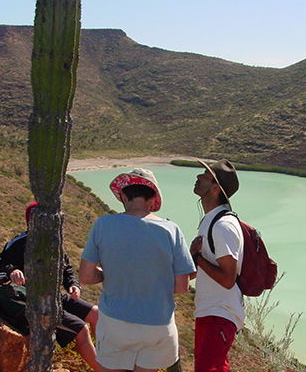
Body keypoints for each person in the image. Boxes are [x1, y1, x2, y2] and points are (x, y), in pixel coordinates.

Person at [79, 168, 195, 372]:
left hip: (114, 323)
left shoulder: (103, 224)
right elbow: (182, 286)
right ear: (152, 199)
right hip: (158, 325)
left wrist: (111, 273)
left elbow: (86, 276)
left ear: (123, 195)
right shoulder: (171, 230)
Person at [0, 201, 101, 372]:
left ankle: (106, 359)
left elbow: (67, 270)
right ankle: (103, 369)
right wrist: (12, 271)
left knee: (97, 315)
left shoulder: (54, 242)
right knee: (81, 329)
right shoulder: (19, 244)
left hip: (56, 294)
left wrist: (73, 285)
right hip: (35, 300)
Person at [189, 159, 244, 372]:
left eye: (205, 174)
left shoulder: (223, 226)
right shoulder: (210, 221)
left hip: (220, 313)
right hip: (209, 311)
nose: (198, 177)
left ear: (215, 187)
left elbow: (228, 280)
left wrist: (197, 258)